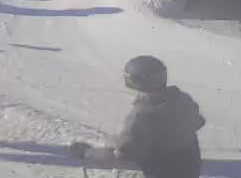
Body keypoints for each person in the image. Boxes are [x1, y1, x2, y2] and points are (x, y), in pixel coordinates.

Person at [69, 56, 204, 178]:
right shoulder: (183, 100)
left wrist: (88, 152)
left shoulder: (141, 117)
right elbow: (199, 122)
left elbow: (123, 153)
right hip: (191, 169)